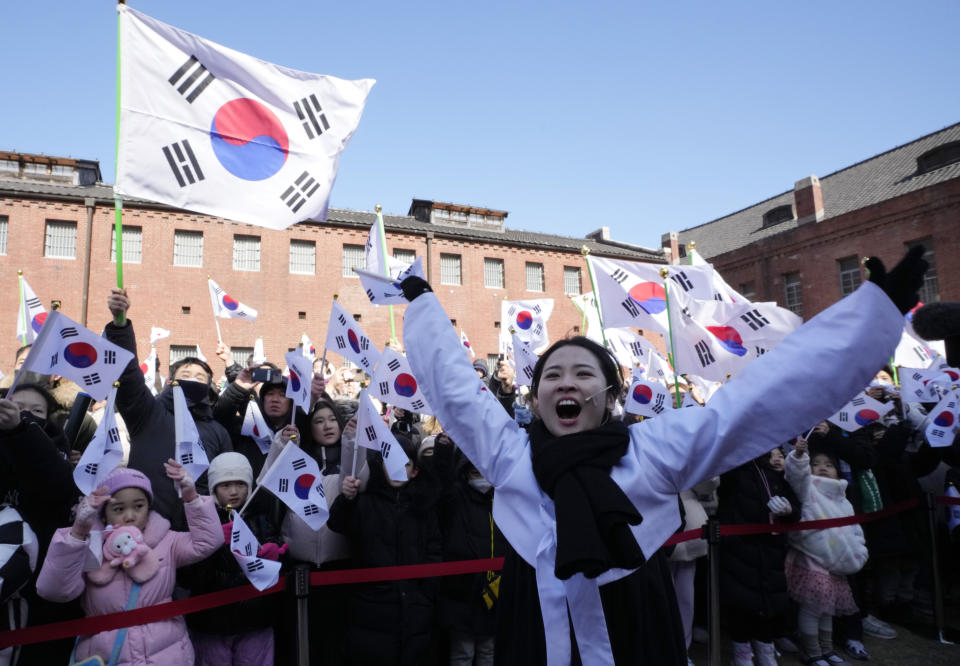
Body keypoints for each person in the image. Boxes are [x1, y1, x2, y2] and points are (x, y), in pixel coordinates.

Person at [396, 247, 923, 664]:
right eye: (552, 375)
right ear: (536, 399)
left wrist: (872, 314)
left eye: (583, 373)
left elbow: (756, 400)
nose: (566, 383)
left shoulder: (650, 449)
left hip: (635, 628)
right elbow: (457, 389)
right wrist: (421, 304)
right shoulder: (510, 455)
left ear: (610, 394)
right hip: (534, 631)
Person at [36, 463, 222, 665]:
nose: (130, 515)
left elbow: (208, 542)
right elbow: (54, 590)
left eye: (139, 506)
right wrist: (78, 531)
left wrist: (191, 496)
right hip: (107, 657)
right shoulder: (90, 545)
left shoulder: (166, 540)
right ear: (104, 513)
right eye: (119, 508)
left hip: (169, 655)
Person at [105, 288, 232, 529]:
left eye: (199, 377)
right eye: (185, 375)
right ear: (171, 381)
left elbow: (225, 479)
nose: (192, 379)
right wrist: (120, 327)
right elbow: (129, 376)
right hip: (144, 527)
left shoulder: (218, 430)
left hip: (198, 531)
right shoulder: (148, 413)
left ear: (209, 386)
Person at [329, 435, 442, 666]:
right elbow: (338, 524)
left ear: (414, 471)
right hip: (371, 611)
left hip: (416, 611)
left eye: (405, 463)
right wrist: (347, 499)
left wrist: (425, 593)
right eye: (391, 461)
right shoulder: (365, 503)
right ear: (381, 466)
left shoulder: (423, 508)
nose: (398, 469)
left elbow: (434, 550)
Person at [0, 385, 82, 664]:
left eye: (36, 411)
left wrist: (20, 431)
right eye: (17, 406)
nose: (24, 414)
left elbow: (57, 486)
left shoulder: (55, 452)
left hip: (45, 583)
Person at [181, 452, 285, 666]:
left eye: (240, 484)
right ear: (213, 489)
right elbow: (187, 576)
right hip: (212, 623)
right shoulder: (200, 520)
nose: (234, 492)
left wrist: (275, 556)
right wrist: (211, 544)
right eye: (225, 485)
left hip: (256, 620)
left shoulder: (262, 519)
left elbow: (279, 572)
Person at [784, 438, 868, 666]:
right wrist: (799, 457)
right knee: (812, 610)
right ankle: (812, 652)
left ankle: (827, 650)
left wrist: (858, 552)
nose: (823, 467)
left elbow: (855, 530)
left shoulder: (843, 498)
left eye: (829, 465)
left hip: (837, 566)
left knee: (827, 611)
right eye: (817, 463)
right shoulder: (808, 489)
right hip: (812, 560)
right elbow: (797, 476)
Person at [718, 451, 800, 666]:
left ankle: (765, 648)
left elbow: (795, 506)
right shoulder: (732, 472)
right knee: (741, 605)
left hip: (771, 549)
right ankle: (742, 652)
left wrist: (789, 510)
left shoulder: (772, 474)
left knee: (768, 604)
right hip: (739, 549)